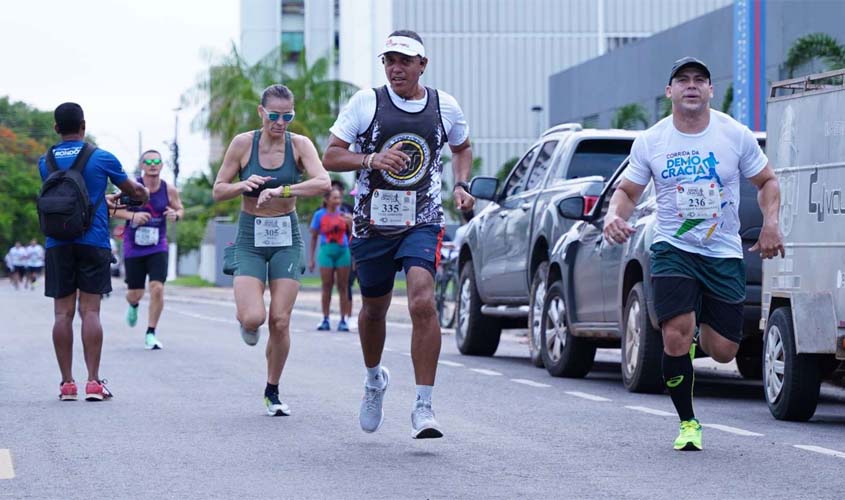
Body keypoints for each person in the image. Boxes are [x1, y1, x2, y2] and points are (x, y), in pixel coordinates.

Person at [602, 57, 784, 451]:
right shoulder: (652, 140)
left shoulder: (734, 135)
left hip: (722, 252)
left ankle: (698, 328)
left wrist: (771, 222)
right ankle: (688, 422)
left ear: (710, 90)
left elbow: (767, 181)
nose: (691, 86)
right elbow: (628, 192)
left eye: (699, 80)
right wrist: (614, 216)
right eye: (682, 80)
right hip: (673, 247)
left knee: (723, 351)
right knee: (673, 336)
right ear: (669, 91)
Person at [323, 30, 475, 439]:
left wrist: (461, 185)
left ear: (422, 64)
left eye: (405, 61)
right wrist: (371, 158)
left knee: (422, 300)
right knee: (373, 309)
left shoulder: (445, 106)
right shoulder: (367, 103)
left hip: (421, 217)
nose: (396, 68)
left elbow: (462, 148)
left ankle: (424, 405)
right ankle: (374, 380)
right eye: (389, 60)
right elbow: (331, 154)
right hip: (372, 222)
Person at [213, 84, 330, 416]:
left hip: (285, 236)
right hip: (250, 236)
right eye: (275, 116)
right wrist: (242, 185)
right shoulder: (242, 144)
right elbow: (218, 191)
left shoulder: (300, 145)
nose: (281, 123)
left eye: (288, 116)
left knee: (280, 320)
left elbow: (323, 182)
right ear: (261, 113)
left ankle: (272, 390)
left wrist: (283, 189)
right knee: (255, 317)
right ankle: (246, 322)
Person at [39, 102, 148, 401]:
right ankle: (93, 383)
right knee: (90, 311)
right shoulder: (101, 157)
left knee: (62, 314)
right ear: (83, 125)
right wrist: (141, 194)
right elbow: (133, 190)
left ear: (56, 128)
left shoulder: (44, 161)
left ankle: (67, 385)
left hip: (57, 243)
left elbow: (67, 195)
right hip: (93, 240)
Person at [110, 149, 184, 350]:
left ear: (161, 165)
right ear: (142, 165)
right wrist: (132, 216)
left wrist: (175, 215)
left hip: (157, 245)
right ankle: (133, 305)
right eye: (148, 161)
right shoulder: (131, 187)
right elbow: (110, 208)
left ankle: (151, 332)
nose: (153, 164)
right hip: (133, 246)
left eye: (157, 161)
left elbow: (180, 209)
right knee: (135, 293)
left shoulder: (168, 189)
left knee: (157, 288)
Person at [309, 187, 352, 331]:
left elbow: (352, 236)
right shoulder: (319, 215)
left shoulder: (344, 215)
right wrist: (311, 259)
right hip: (326, 251)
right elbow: (314, 237)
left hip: (343, 251)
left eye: (339, 198)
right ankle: (325, 318)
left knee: (343, 286)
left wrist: (351, 224)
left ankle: (343, 319)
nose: (338, 201)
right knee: (327, 285)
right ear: (326, 200)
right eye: (334, 198)